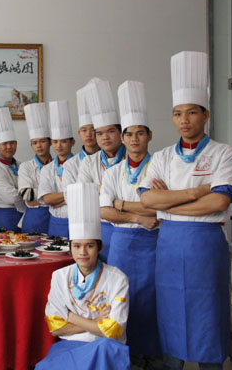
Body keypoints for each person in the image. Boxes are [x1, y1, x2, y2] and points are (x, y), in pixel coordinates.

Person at [139, 51, 232, 369]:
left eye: (192, 112)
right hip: (168, 246)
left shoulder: (225, 154)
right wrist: (196, 193)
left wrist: (169, 202)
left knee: (208, 310)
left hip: (206, 244)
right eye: (177, 114)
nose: (184, 120)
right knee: (170, 308)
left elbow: (220, 202)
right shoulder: (161, 157)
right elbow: (147, 201)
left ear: (205, 115)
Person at [35, 182, 130, 370]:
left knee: (104, 350)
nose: (83, 253)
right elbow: (55, 326)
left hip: (105, 346)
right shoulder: (60, 276)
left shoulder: (118, 279)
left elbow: (113, 330)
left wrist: (70, 316)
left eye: (90, 246)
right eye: (77, 246)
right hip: (70, 345)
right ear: (70, 248)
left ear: (100, 247)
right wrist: (95, 322)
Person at [100, 80, 161, 367]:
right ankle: (126, 353)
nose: (134, 139)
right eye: (129, 134)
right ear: (123, 139)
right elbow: (104, 211)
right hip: (122, 243)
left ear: (149, 136)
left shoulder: (162, 166)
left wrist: (121, 204)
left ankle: (154, 353)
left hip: (155, 242)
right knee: (122, 296)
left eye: (140, 133)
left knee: (153, 297)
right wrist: (138, 215)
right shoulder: (113, 173)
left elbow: (162, 207)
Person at [77, 78, 126, 261]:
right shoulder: (89, 162)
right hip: (99, 229)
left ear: (121, 133)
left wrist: (100, 191)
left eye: (110, 131)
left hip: (130, 228)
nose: (105, 137)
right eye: (99, 133)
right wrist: (118, 198)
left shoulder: (134, 159)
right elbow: (84, 195)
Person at [39, 100, 75, 238]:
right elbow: (47, 199)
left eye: (64, 141)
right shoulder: (47, 169)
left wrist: (59, 197)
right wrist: (71, 195)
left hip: (76, 221)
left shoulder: (81, 164)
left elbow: (84, 196)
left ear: (72, 142)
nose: (59, 146)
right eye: (55, 142)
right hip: (55, 223)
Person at [0, 107, 26, 231]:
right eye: (4, 144)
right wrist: (27, 193)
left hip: (22, 215)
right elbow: (11, 197)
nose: (9, 147)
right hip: (4, 216)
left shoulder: (21, 165)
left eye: (12, 143)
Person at [18, 102, 52, 234]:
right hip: (33, 219)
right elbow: (26, 195)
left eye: (43, 141)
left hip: (54, 217)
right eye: (35, 142)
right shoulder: (26, 166)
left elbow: (68, 196)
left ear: (50, 142)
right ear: (31, 145)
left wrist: (38, 197)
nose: (39, 146)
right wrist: (53, 197)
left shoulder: (59, 165)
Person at [62, 81, 100, 187]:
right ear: (79, 134)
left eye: (93, 130)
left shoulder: (108, 159)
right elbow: (68, 193)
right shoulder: (70, 164)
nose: (88, 134)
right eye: (84, 130)